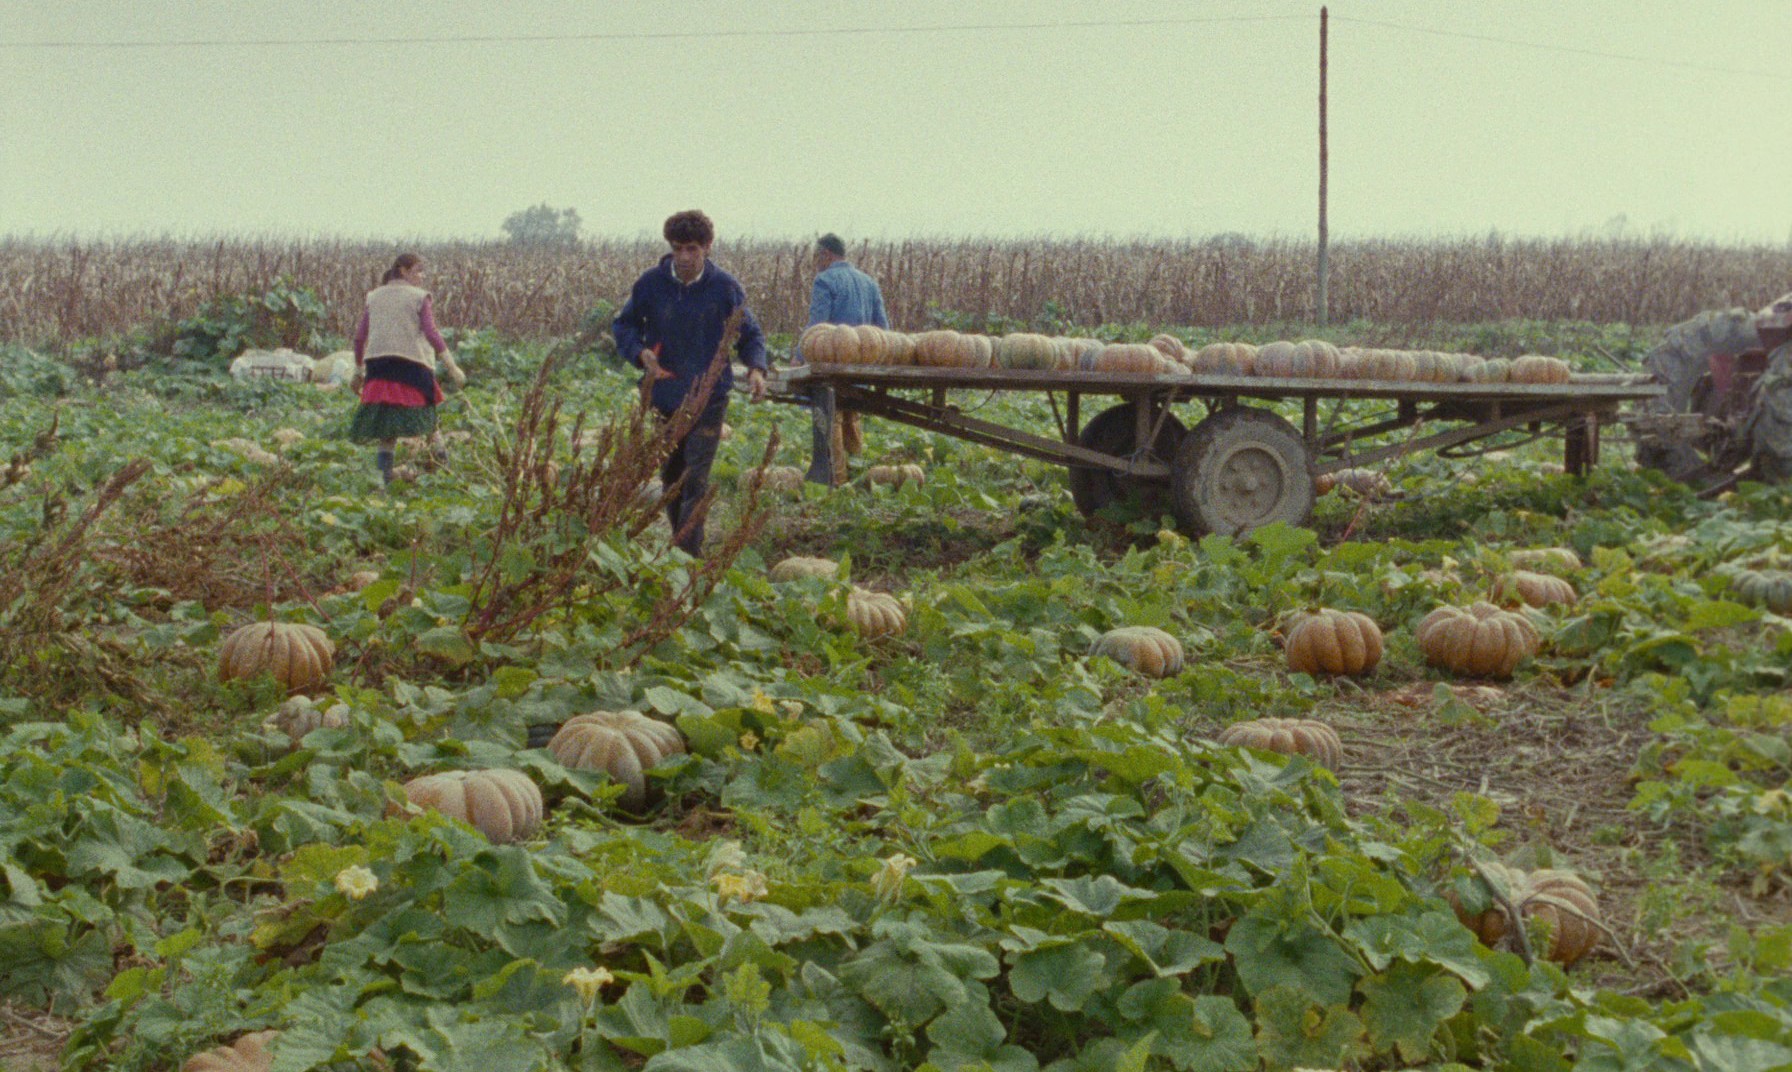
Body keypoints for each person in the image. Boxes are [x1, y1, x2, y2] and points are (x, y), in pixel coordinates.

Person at [613, 210, 767, 557]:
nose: (684, 257)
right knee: (672, 480)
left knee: (695, 480)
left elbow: (750, 333)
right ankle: (680, 547)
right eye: (678, 248)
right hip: (663, 396)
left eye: (692, 249)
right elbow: (623, 327)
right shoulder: (650, 284)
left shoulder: (725, 288)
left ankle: (685, 561)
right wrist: (640, 353)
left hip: (709, 399)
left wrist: (756, 368)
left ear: (708, 248)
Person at [348, 253, 465, 484]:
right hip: (413, 368)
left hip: (379, 368)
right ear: (403, 270)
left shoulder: (374, 297)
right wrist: (452, 367)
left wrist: (358, 370)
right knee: (431, 424)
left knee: (387, 431)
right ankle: (445, 472)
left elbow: (360, 337)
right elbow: (432, 333)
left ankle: (384, 480)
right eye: (419, 271)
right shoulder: (419, 297)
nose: (422, 276)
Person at [797, 233, 889, 485]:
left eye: (817, 257)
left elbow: (817, 325)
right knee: (853, 414)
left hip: (833, 364)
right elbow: (883, 328)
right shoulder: (868, 282)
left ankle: (836, 478)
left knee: (833, 415)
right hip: (863, 364)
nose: (816, 262)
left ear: (826, 254)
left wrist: (799, 356)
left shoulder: (825, 280)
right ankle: (858, 472)